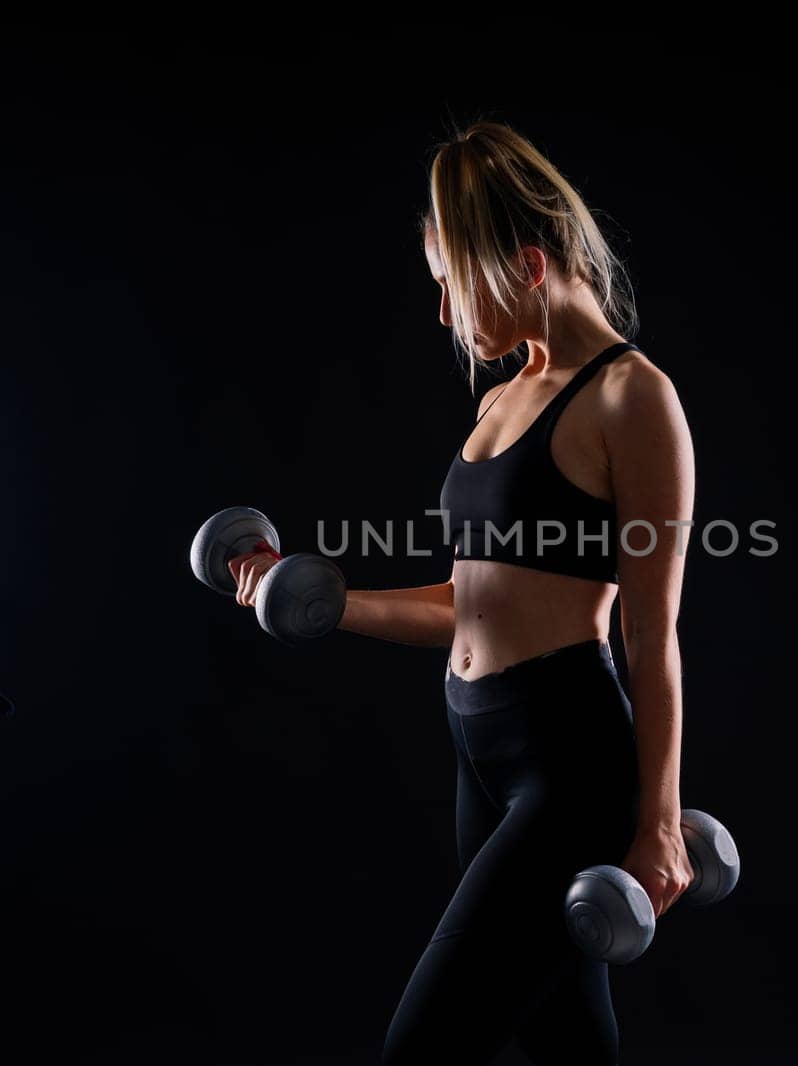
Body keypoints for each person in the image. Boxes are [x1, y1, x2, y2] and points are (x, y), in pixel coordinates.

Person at [228, 120, 697, 1064]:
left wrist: (656, 821)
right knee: (566, 1034)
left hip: (568, 762)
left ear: (525, 263)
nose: (443, 314)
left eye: (451, 283)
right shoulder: (502, 397)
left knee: (426, 1046)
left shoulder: (631, 399)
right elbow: (465, 603)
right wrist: (318, 598)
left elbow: (652, 634)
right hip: (476, 747)